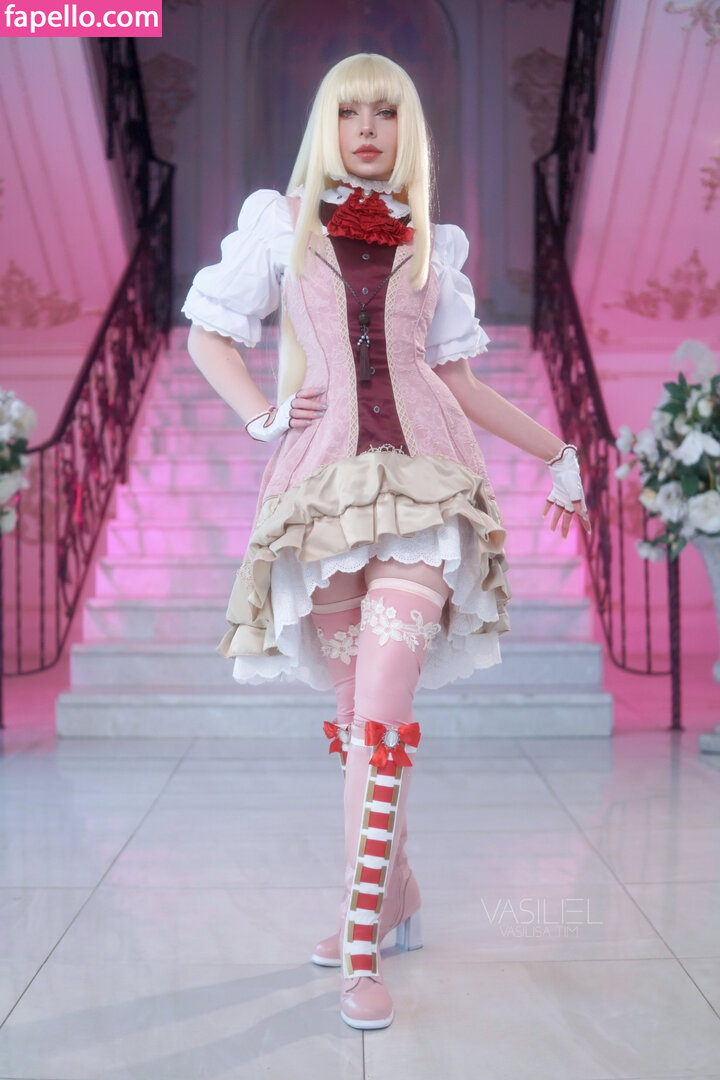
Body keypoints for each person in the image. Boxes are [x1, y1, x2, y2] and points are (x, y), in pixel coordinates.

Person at [181, 52, 591, 1031]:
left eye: (386, 112)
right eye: (350, 112)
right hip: (321, 490)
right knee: (352, 719)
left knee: (378, 718)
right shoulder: (280, 222)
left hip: (424, 486)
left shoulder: (432, 241)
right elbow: (209, 334)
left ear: (409, 129)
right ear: (326, 125)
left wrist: (558, 453)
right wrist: (261, 415)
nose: (367, 129)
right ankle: (398, 889)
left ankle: (360, 940)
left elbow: (457, 379)